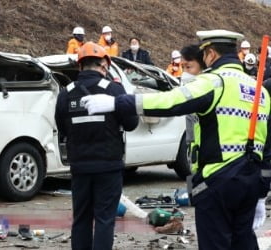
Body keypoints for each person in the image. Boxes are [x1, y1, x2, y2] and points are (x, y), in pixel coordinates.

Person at [81, 30, 270, 250]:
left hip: (218, 180)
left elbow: (171, 101)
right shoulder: (259, 91)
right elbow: (267, 148)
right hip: (250, 182)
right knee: (244, 244)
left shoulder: (215, 82)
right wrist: (260, 194)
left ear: (210, 54)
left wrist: (119, 103)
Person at [55, 42, 138, 250]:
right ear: (104, 66)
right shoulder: (114, 89)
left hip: (80, 167)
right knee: (104, 219)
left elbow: (61, 128)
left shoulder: (65, 93)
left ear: (80, 66)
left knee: (81, 218)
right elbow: (132, 123)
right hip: (108, 166)